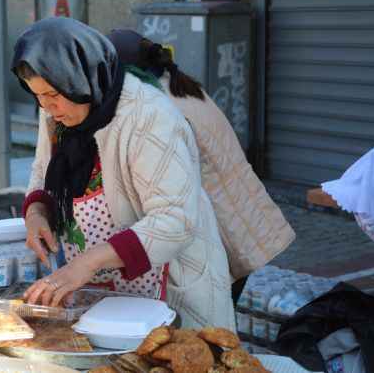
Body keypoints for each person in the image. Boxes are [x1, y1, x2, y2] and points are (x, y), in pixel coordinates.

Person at [14, 17, 235, 330]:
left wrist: (87, 263)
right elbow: (43, 169)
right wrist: (37, 213)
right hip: (101, 299)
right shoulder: (57, 108)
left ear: (80, 78)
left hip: (171, 295)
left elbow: (174, 220)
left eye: (52, 94)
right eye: (37, 96)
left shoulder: (149, 116)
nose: (47, 107)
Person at [106, 29, 296, 304]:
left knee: (211, 337)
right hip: (241, 222)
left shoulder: (158, 108)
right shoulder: (180, 85)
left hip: (223, 234)